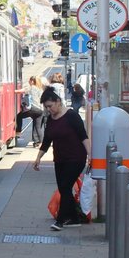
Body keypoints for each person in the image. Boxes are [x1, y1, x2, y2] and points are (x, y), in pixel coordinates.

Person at [32, 87, 90, 230]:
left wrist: (91, 157)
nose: (48, 109)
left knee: (64, 187)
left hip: (76, 158)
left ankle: (60, 220)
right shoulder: (50, 119)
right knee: (64, 189)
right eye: (46, 107)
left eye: (50, 106)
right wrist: (38, 158)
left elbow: (84, 137)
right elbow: (47, 140)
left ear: (58, 101)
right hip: (60, 160)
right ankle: (75, 218)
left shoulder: (72, 116)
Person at [15, 76, 45, 145]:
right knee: (38, 127)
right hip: (40, 110)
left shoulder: (31, 88)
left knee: (19, 115)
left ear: (32, 81)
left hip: (33, 109)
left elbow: (20, 91)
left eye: (29, 80)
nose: (28, 82)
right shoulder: (40, 89)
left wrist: (12, 91)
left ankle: (18, 132)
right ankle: (38, 142)